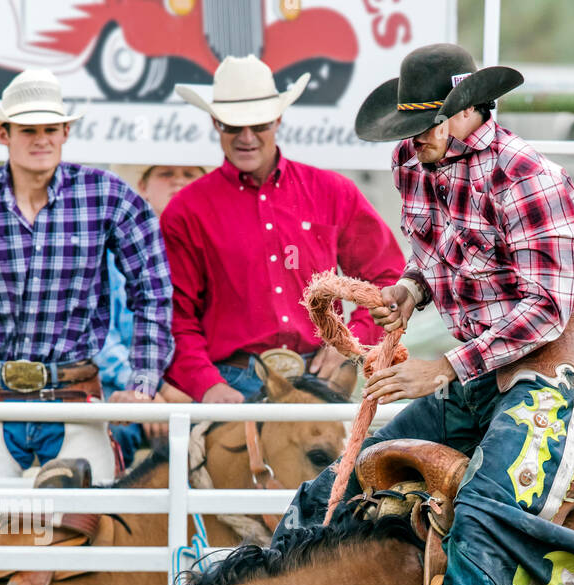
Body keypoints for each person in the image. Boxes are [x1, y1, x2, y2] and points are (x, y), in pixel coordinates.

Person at [274, 44, 574, 585]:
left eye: (431, 122)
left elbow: (547, 308)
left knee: (485, 513)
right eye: (413, 125)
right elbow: (437, 257)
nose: (418, 137)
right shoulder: (415, 164)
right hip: (472, 370)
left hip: (544, 377)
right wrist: (410, 289)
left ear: (469, 111)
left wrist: (444, 368)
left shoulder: (529, 178)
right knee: (335, 490)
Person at [0, 69, 173, 482]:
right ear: (5, 133)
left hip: (75, 392)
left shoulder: (109, 197)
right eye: (28, 129)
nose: (40, 139)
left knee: (94, 526)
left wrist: (141, 383)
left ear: (65, 132)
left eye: (50, 128)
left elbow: (153, 291)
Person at [161, 55, 405, 404]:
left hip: (321, 375)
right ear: (216, 123)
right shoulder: (186, 212)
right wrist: (207, 384)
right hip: (231, 380)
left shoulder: (333, 192)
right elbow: (176, 315)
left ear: (277, 119)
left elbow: (387, 278)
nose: (246, 137)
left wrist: (348, 342)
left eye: (258, 124)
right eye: (233, 126)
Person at [99, 165, 206, 464]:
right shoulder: (111, 252)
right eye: (166, 174)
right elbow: (100, 336)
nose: (178, 182)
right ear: (143, 186)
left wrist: (179, 387)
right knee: (109, 437)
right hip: (123, 395)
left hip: (193, 394)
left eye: (189, 175)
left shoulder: (213, 252)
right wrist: (145, 389)